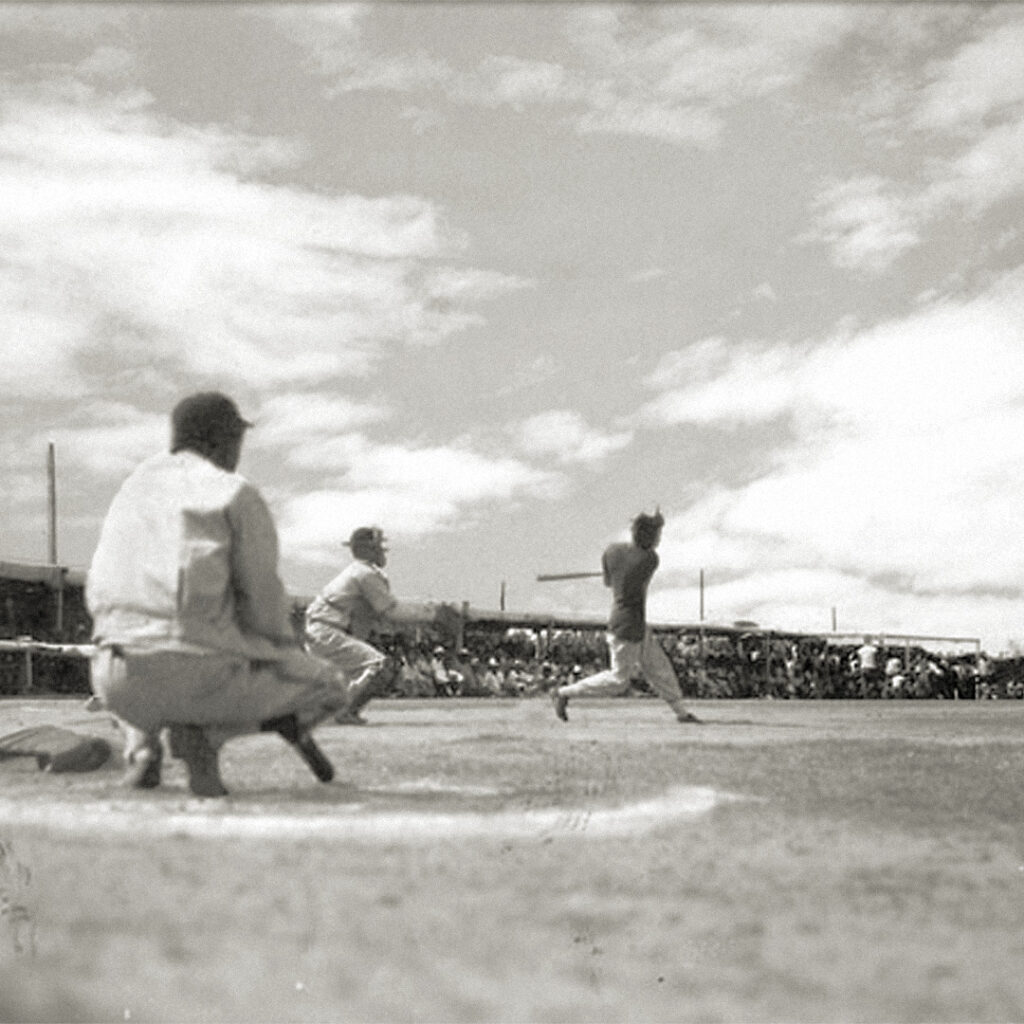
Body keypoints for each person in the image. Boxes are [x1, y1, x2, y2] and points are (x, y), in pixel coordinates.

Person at [87, 392, 345, 797]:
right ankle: (206, 739)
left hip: (112, 682)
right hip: (197, 674)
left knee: (136, 659)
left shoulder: (131, 490)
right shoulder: (233, 491)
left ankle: (141, 747)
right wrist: (281, 655)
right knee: (331, 686)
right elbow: (262, 600)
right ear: (226, 441)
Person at [551, 510, 700, 724]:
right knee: (619, 680)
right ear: (647, 536)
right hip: (628, 627)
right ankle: (563, 693)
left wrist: (617, 571)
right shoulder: (649, 559)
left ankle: (682, 713)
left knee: (659, 668)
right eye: (657, 535)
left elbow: (608, 583)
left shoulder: (611, 551)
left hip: (632, 622)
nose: (659, 540)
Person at [303, 527, 460, 723]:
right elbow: (392, 611)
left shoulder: (358, 573)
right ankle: (345, 712)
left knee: (348, 678)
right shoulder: (365, 574)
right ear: (367, 550)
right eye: (377, 546)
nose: (382, 550)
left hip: (322, 631)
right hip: (326, 631)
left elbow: (371, 618)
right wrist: (433, 614)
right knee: (380, 666)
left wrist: (428, 615)